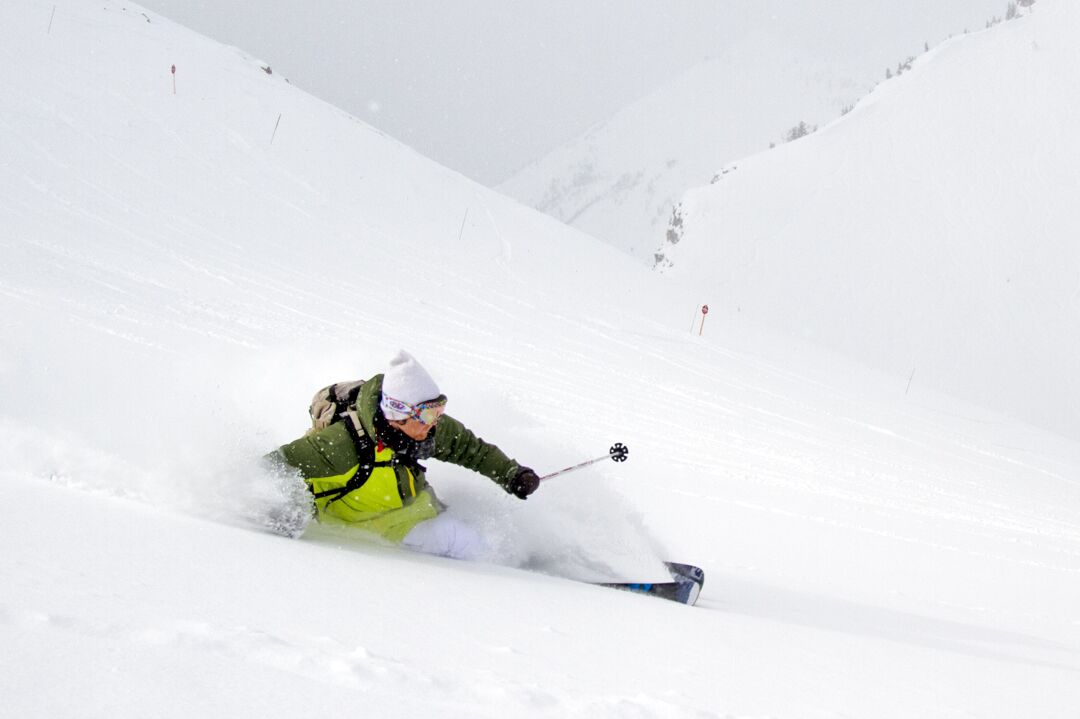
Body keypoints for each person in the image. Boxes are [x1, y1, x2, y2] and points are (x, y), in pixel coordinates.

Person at [264, 350, 541, 560]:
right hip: (359, 525)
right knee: (465, 548)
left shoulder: (428, 429)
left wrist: (512, 474)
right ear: (398, 414)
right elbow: (270, 467)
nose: (435, 421)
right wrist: (285, 508)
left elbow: (472, 450)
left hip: (411, 513)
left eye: (439, 411)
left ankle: (536, 567)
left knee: (475, 545)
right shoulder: (340, 445)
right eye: (429, 413)